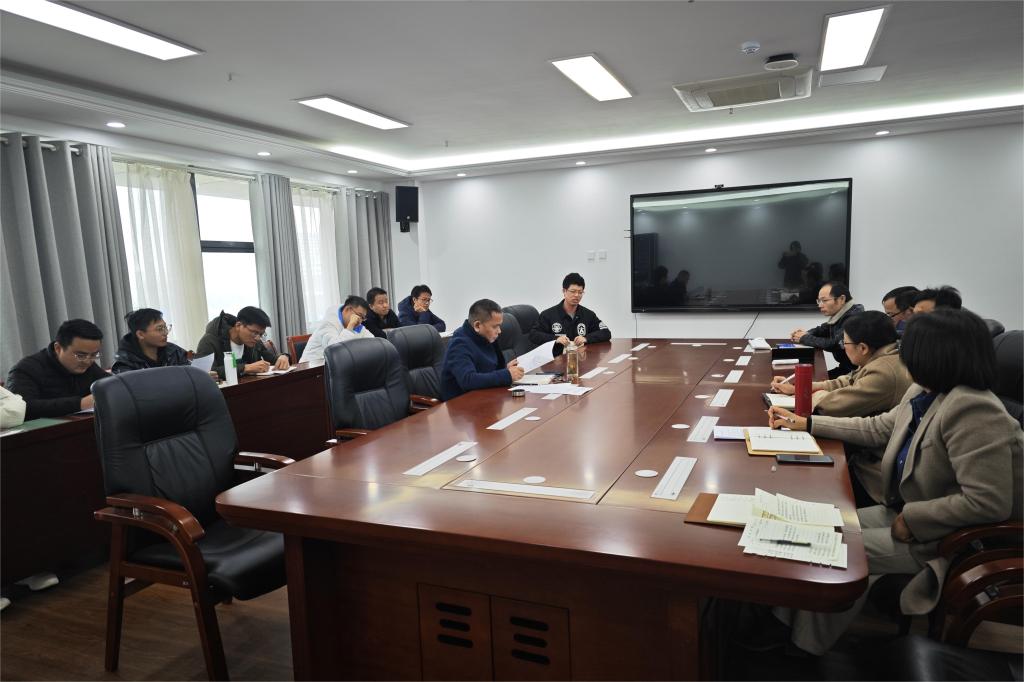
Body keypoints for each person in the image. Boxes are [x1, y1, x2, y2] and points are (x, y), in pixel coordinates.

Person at [761, 309, 1022, 656]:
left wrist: (912, 520)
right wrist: (806, 424)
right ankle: (783, 624)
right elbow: (876, 428)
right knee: (816, 526)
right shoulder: (925, 392)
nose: (901, 354)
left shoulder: (975, 410)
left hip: (941, 536)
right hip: (902, 509)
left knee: (831, 547)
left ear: (931, 355)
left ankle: (802, 648)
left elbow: (988, 502)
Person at [770, 311, 913, 504]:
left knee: (803, 484)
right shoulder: (883, 356)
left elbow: (832, 407)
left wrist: (809, 396)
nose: (843, 347)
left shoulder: (884, 371)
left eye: (845, 343)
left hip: (872, 472)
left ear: (862, 348)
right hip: (863, 450)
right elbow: (848, 380)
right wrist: (802, 387)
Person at [6, 318, 109, 419]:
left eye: (94, 355)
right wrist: (81, 403)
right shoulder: (26, 370)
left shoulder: (87, 364)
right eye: (80, 355)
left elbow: (110, 384)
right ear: (58, 348)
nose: (87, 361)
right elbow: (22, 408)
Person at [440, 299, 525, 401]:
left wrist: (505, 369)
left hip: (485, 397)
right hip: (461, 404)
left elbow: (486, 370)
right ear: (477, 325)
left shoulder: (485, 336)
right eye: (495, 326)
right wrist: (506, 375)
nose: (499, 331)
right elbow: (468, 380)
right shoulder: (459, 344)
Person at [789, 281, 864, 378]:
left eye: (824, 300)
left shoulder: (855, 318)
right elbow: (823, 329)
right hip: (845, 369)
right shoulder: (842, 314)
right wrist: (806, 333)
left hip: (858, 374)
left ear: (841, 299)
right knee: (811, 379)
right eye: (819, 301)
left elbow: (835, 344)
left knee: (811, 381)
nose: (820, 305)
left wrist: (804, 338)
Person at [195, 306, 289, 379]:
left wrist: (283, 357)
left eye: (261, 334)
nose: (257, 338)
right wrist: (245, 368)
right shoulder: (209, 341)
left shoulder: (255, 341)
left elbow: (272, 358)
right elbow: (203, 373)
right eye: (254, 332)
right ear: (238, 325)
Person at [529, 272, 611, 355]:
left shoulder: (589, 315)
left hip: (581, 359)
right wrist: (555, 339)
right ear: (564, 291)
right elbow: (534, 335)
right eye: (573, 291)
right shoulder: (548, 315)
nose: (576, 295)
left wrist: (586, 338)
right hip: (556, 360)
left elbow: (606, 332)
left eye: (580, 292)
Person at [111, 308, 190, 373]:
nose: (166, 333)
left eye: (165, 327)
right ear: (140, 334)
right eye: (160, 329)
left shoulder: (174, 351)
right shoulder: (125, 363)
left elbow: (191, 374)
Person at [299, 296, 374, 364]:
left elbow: (373, 343)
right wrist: (350, 326)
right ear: (347, 309)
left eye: (363, 318)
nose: (360, 320)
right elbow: (335, 349)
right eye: (359, 316)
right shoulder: (328, 323)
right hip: (311, 368)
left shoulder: (357, 324)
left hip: (335, 367)